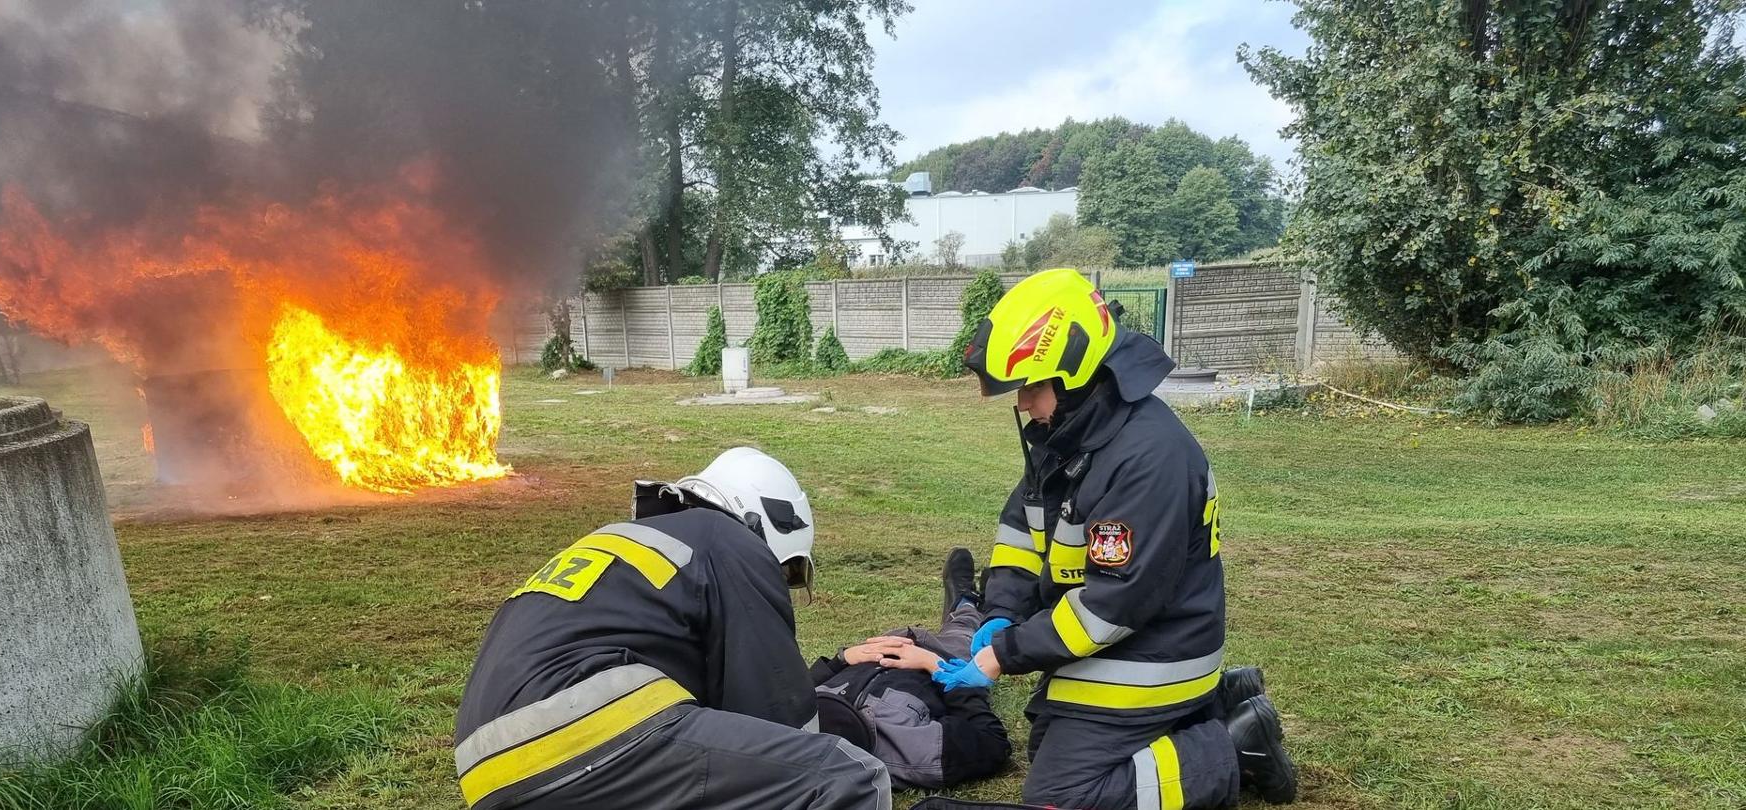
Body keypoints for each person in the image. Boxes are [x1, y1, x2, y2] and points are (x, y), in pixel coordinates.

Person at [948, 268, 1298, 809]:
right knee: (1047, 748)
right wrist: (1001, 610)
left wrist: (1004, 653)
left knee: (1064, 796)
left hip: (1153, 650)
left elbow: (1114, 602)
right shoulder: (1069, 432)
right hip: (1116, 643)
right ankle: (1216, 706)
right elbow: (1023, 528)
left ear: (1077, 376)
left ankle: (1232, 746)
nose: (1021, 404)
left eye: (1030, 387)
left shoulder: (1148, 458)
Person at [451, 447, 891, 810]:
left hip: (487, 769)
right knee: (848, 776)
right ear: (765, 525)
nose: (780, 584)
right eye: (786, 572)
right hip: (586, 730)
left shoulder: (622, 545)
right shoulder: (731, 540)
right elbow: (778, 717)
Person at [806, 548, 1012, 791]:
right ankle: (972, 603)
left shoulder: (793, 728)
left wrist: (840, 659)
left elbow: (795, 691)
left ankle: (972, 603)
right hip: (943, 659)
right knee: (967, 632)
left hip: (885, 646)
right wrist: (939, 668)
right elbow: (992, 741)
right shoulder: (917, 754)